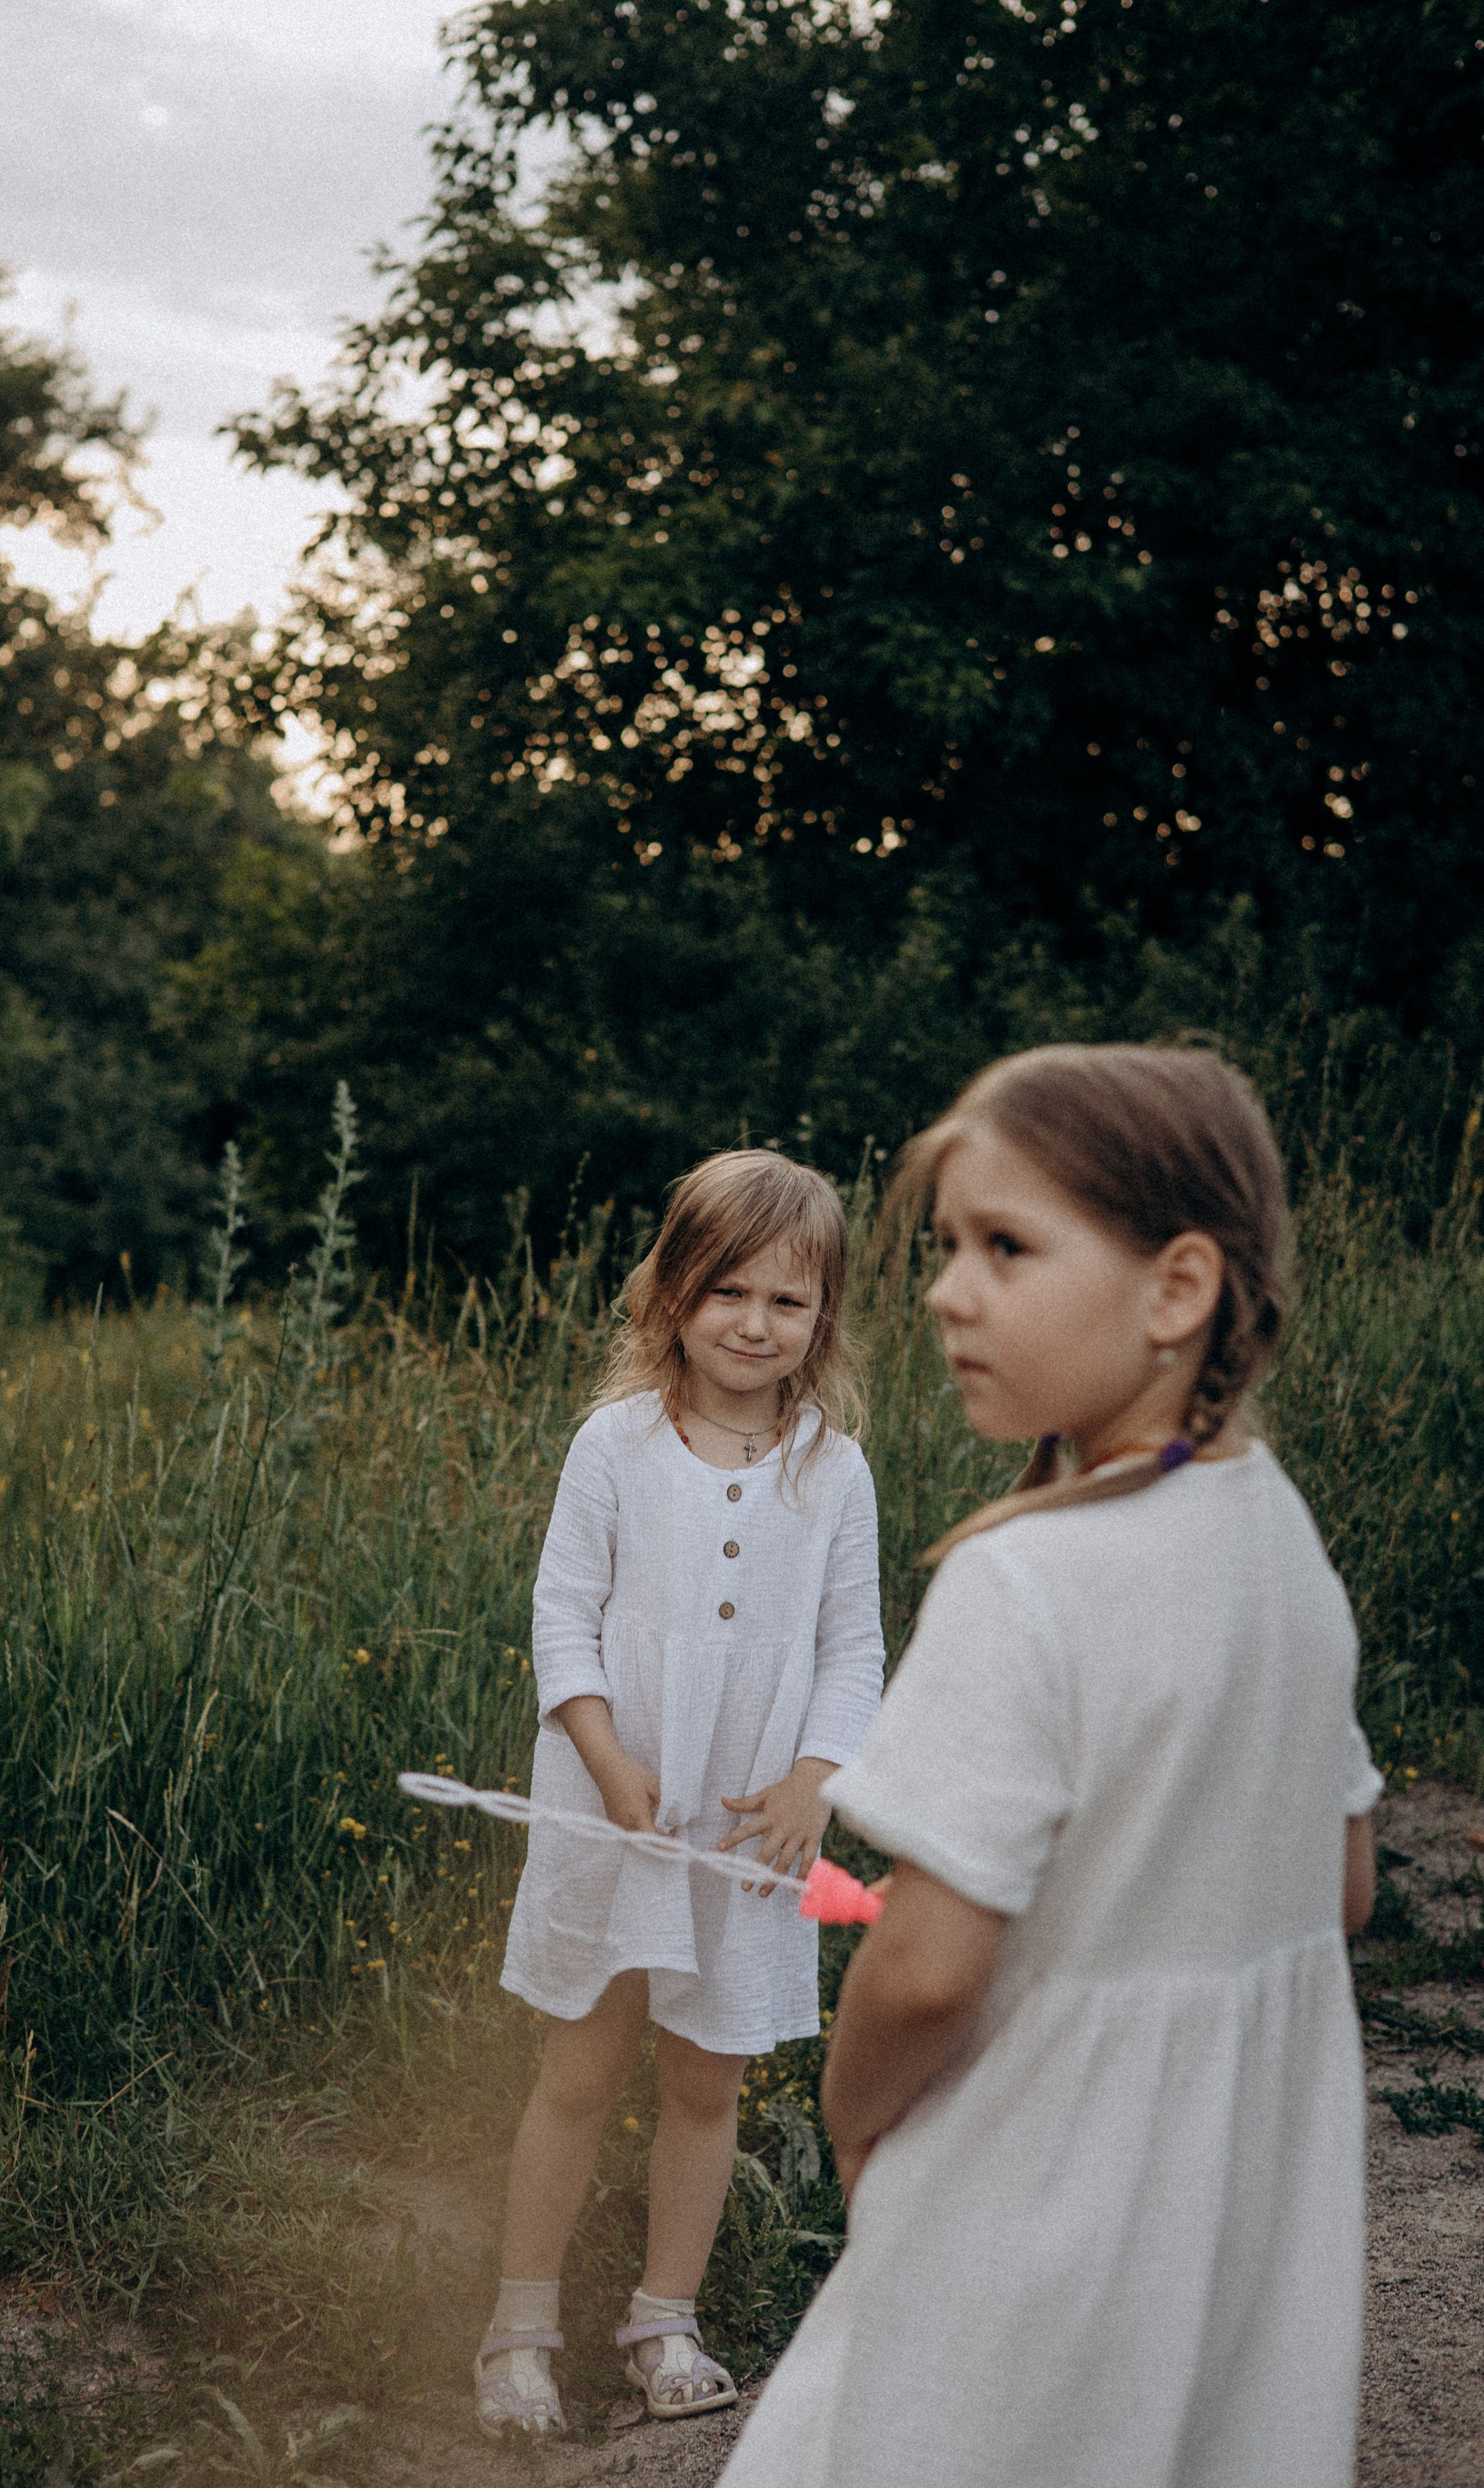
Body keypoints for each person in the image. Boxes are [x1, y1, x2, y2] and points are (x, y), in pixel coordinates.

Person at [720, 1044, 1381, 2488]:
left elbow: (930, 1969)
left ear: (1175, 1288)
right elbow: (1341, 1883)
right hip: (1238, 2206)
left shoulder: (1024, 1584)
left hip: (1030, 2199)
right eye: (948, 1247)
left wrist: (852, 2125)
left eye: (1006, 1247)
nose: (948, 1290)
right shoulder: (1277, 1536)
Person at [476, 1149, 886, 2440]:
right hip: (615, 1814)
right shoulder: (613, 1446)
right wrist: (604, 1762)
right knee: (580, 2069)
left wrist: (813, 1785)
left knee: (705, 2083)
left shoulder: (833, 1472)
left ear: (821, 1316)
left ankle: (663, 2318)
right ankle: (519, 2328)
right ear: (669, 1293)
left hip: (744, 1832)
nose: (755, 1324)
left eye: (787, 1300)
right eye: (728, 1292)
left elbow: (851, 1651)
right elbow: (562, 1623)